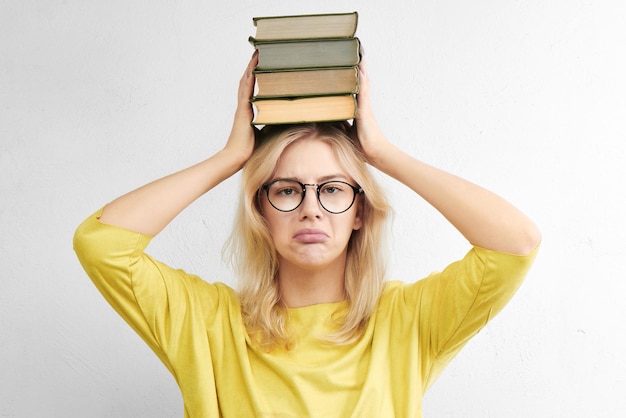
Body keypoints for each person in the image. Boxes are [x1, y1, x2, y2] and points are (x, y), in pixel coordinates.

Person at [73, 50, 541, 417]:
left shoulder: (407, 322)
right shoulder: (208, 324)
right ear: (262, 209)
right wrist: (230, 158)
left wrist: (381, 153)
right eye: (287, 190)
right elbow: (102, 245)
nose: (311, 210)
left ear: (359, 210)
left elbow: (514, 244)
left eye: (334, 190)